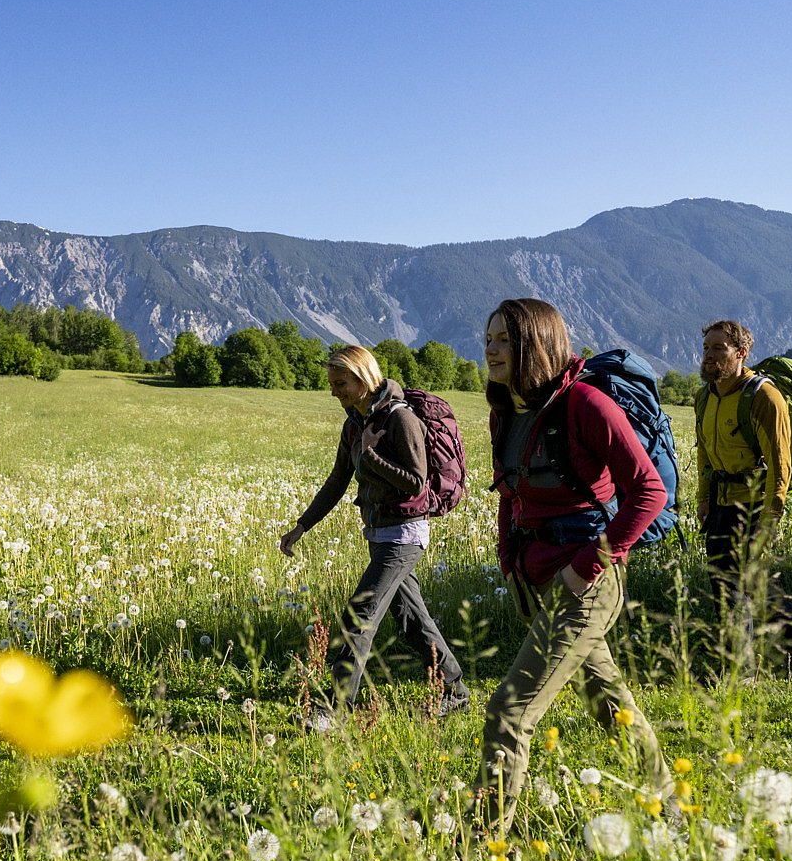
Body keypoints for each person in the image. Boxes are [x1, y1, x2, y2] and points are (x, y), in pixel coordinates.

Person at [475, 298, 673, 828]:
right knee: (609, 699)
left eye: (501, 339)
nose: (489, 349)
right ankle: (668, 806)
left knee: (509, 711)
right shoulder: (507, 410)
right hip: (536, 577)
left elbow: (648, 491)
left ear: (533, 343)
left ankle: (484, 840)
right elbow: (510, 491)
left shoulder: (585, 404)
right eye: (488, 338)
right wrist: (507, 558)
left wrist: (586, 566)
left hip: (585, 582)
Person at [279, 345, 468, 731]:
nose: (334, 391)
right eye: (332, 383)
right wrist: (302, 525)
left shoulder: (400, 420)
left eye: (340, 383)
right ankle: (455, 690)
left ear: (363, 378)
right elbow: (337, 481)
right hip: (379, 534)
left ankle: (333, 710)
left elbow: (416, 482)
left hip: (405, 533)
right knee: (409, 619)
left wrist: (374, 457)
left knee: (359, 614)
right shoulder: (355, 423)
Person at [694, 320, 792, 667]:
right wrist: (703, 499)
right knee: (729, 584)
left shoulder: (764, 397)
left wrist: (770, 516)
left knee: (737, 586)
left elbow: (780, 463)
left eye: (719, 349)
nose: (710, 356)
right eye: (706, 349)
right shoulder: (704, 396)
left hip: (752, 505)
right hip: (718, 503)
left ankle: (740, 669)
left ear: (741, 354)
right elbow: (703, 452)